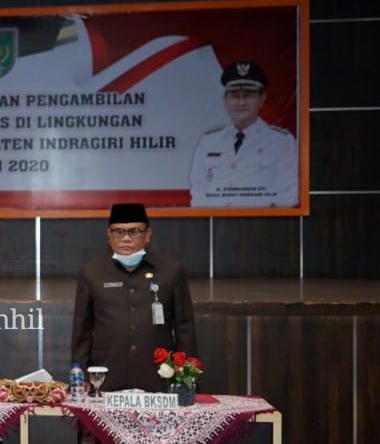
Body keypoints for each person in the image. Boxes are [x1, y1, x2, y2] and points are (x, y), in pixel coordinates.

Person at [71, 203, 197, 393]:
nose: (126, 238)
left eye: (135, 231)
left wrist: (187, 376)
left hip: (159, 378)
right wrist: (80, 374)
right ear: (108, 234)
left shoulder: (171, 271)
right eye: (119, 232)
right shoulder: (91, 272)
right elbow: (82, 330)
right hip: (106, 377)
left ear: (148, 234)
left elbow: (184, 328)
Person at [189, 59, 298, 207]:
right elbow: (198, 193)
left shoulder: (282, 142)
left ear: (262, 99)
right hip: (215, 220)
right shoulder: (208, 141)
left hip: (260, 221)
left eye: (249, 95)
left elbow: (287, 198)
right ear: (226, 100)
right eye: (235, 95)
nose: (241, 102)